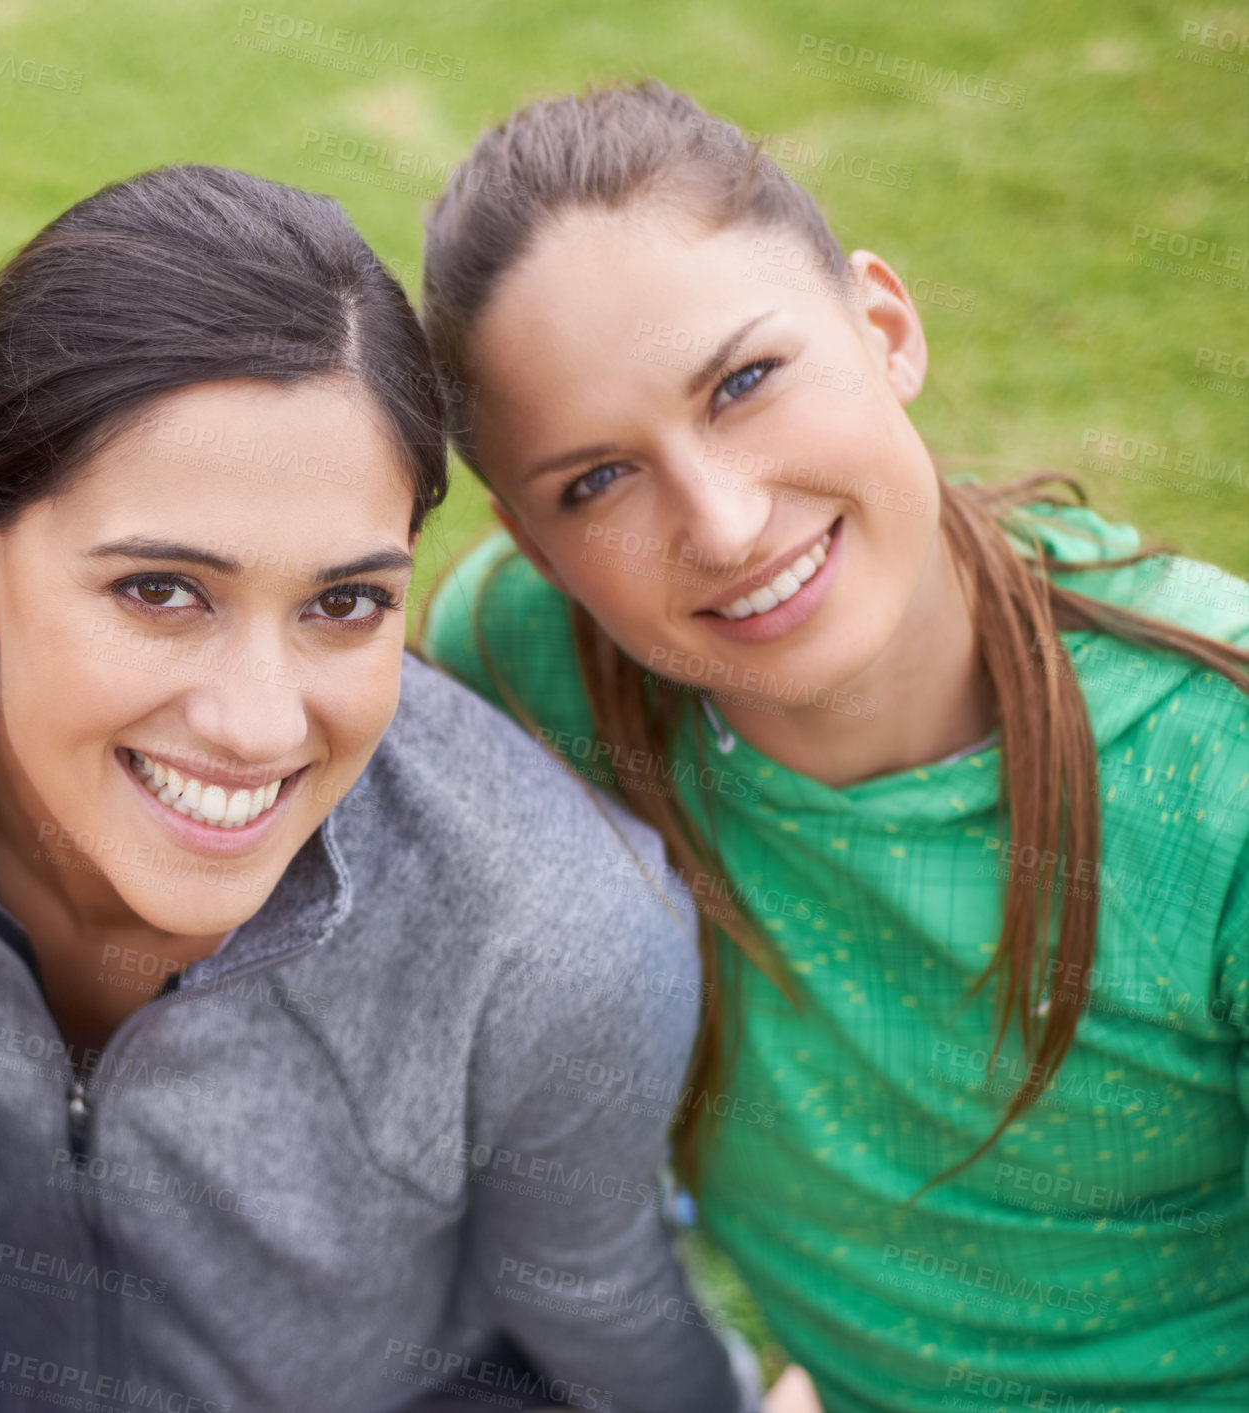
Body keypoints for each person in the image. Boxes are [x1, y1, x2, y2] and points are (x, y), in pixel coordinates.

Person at [0, 164, 756, 1413]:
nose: (259, 723)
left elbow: (596, 1310)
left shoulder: (552, 938)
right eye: (161, 590)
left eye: (344, 603)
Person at [419, 82, 1249, 1412]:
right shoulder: (521, 664)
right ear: (536, 548)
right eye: (594, 481)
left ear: (882, 326)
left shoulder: (1217, 772)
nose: (726, 522)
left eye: (742, 383)